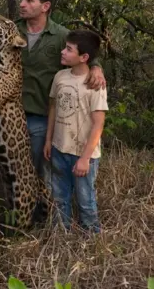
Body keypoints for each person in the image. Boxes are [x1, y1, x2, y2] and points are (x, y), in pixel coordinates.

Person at [16, 0, 106, 185]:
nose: (22, 4)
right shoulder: (11, 30)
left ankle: (46, 212)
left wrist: (96, 67)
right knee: (12, 167)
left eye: (29, 0)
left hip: (40, 115)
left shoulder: (60, 35)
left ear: (45, 6)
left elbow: (85, 53)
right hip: (10, 114)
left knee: (41, 171)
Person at [43, 30, 108, 233]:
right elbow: (53, 108)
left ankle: (92, 238)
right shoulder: (60, 77)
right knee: (60, 197)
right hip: (59, 149)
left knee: (85, 199)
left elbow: (98, 124)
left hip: (83, 154)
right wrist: (48, 141)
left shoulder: (95, 84)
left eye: (69, 49)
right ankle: (61, 236)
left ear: (84, 57)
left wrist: (85, 159)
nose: (62, 52)